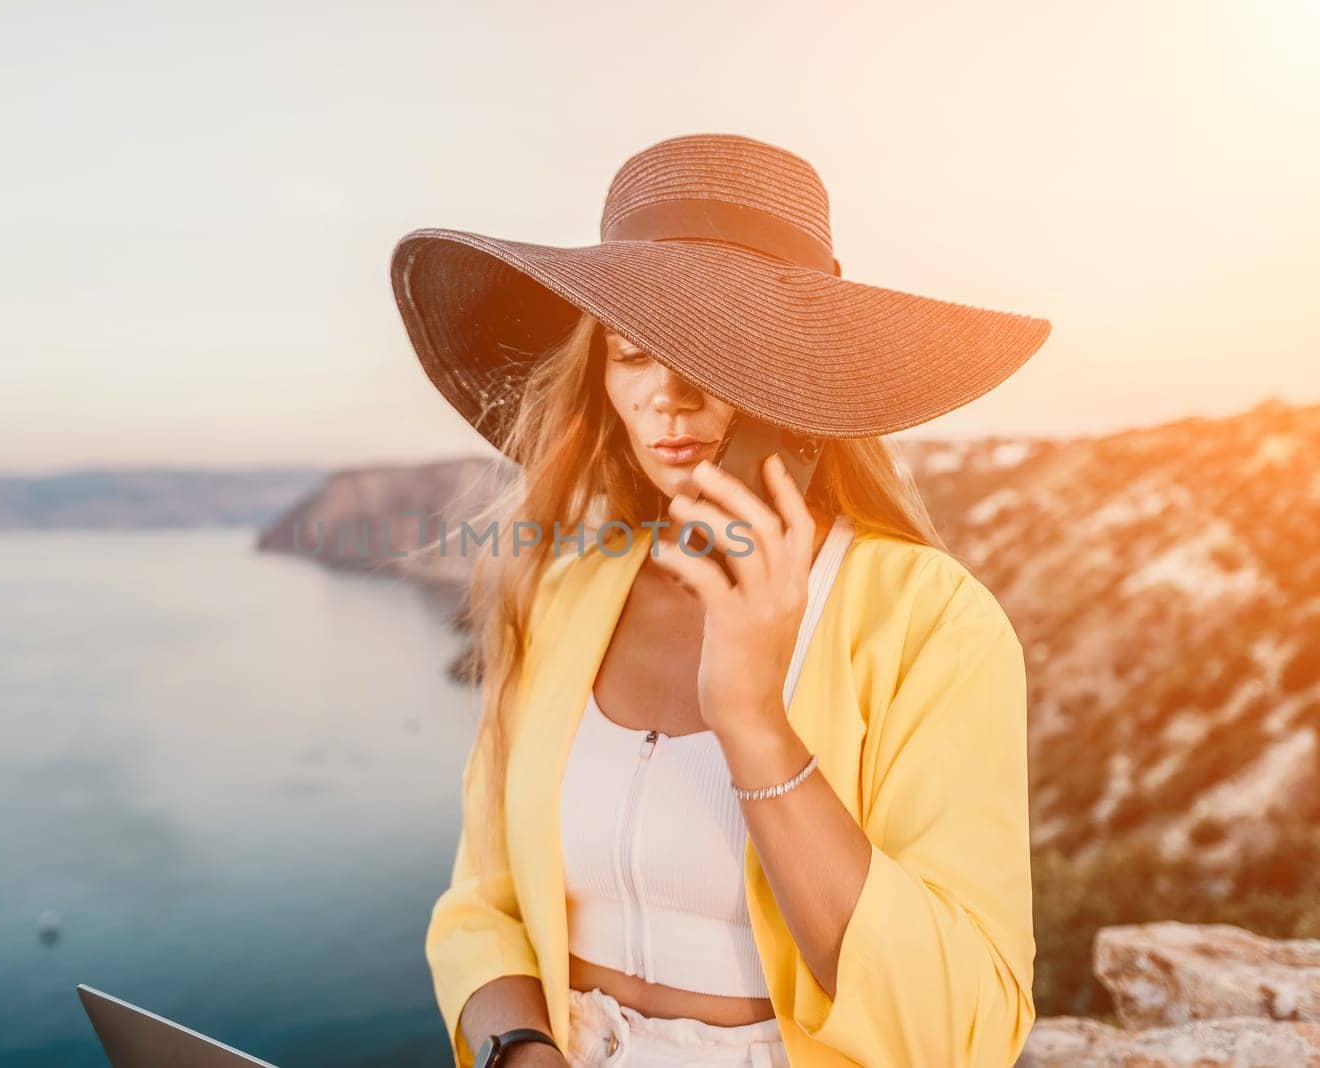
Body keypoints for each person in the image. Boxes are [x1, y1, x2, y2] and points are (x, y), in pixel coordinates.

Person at [388, 132, 1051, 1068]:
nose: (670, 398)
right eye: (631, 354)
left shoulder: (931, 620)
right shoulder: (568, 596)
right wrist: (520, 1049)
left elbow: (959, 1027)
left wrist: (751, 718)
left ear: (803, 381)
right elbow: (480, 907)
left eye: (716, 355)